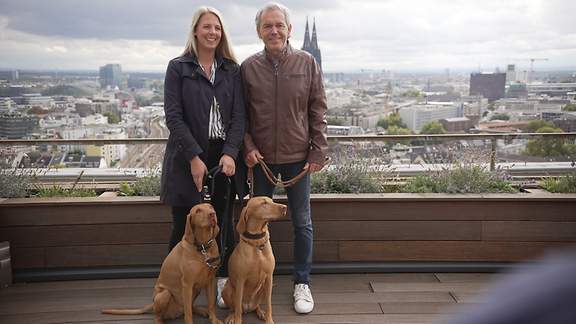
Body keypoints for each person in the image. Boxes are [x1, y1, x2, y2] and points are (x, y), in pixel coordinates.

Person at [241, 2, 328, 314]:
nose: (274, 31)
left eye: (279, 25)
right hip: (261, 158)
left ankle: (301, 283)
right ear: (259, 31)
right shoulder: (248, 67)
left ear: (289, 30)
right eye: (268, 26)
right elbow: (242, 116)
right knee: (255, 223)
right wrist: (247, 147)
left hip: (298, 158)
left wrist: (318, 150)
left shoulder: (307, 63)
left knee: (302, 222)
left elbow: (318, 109)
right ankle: (255, 282)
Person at [159, 6, 245, 309]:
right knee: (183, 225)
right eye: (207, 27)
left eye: (217, 28)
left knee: (221, 221)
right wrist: (194, 156)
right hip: (186, 154)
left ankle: (220, 283)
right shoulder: (178, 67)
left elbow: (238, 117)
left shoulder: (231, 70)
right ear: (195, 30)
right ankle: (174, 288)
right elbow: (173, 117)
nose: (212, 33)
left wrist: (231, 153)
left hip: (222, 155)